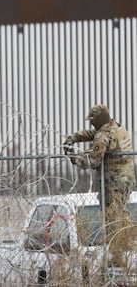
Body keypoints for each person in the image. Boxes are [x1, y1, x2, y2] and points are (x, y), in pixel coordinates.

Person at [63, 104, 136, 266]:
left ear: (99, 119)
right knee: (121, 215)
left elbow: (92, 161)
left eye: (92, 120)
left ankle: (117, 258)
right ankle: (123, 250)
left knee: (112, 220)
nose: (91, 124)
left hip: (114, 183)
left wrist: (73, 156)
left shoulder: (103, 136)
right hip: (126, 179)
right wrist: (74, 137)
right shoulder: (115, 127)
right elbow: (93, 133)